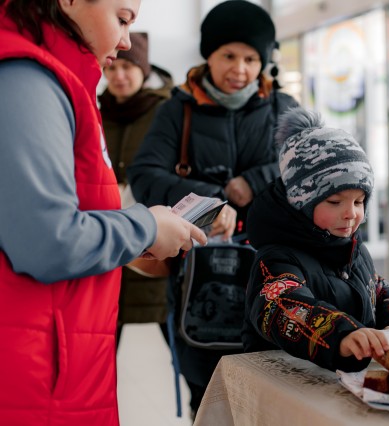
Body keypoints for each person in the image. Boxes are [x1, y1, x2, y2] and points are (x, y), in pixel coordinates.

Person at [0, 1, 207, 425]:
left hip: (56, 357)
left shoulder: (59, 80)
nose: (127, 40)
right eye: (123, 18)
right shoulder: (28, 78)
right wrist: (146, 226)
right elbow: (46, 240)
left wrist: (128, 240)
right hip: (34, 372)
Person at [127, 0, 298, 417]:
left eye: (251, 57)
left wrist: (251, 183)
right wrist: (213, 196)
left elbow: (309, 170)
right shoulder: (177, 110)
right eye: (229, 55)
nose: (240, 67)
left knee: (273, 396)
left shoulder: (284, 108)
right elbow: (145, 175)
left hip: (273, 274)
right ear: (209, 54)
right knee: (208, 398)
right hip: (200, 278)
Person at [241, 106, 389, 373]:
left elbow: (378, 288)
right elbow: (284, 306)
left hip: (344, 381)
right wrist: (341, 335)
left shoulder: (353, 249)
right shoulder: (276, 258)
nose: (350, 214)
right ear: (301, 201)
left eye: (359, 202)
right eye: (335, 201)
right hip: (288, 386)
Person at [99, 32, 174, 348]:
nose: (118, 76)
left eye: (127, 67)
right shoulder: (94, 107)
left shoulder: (164, 111)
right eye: (111, 68)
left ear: (143, 69)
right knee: (101, 343)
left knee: (171, 336)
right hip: (104, 236)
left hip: (153, 236)